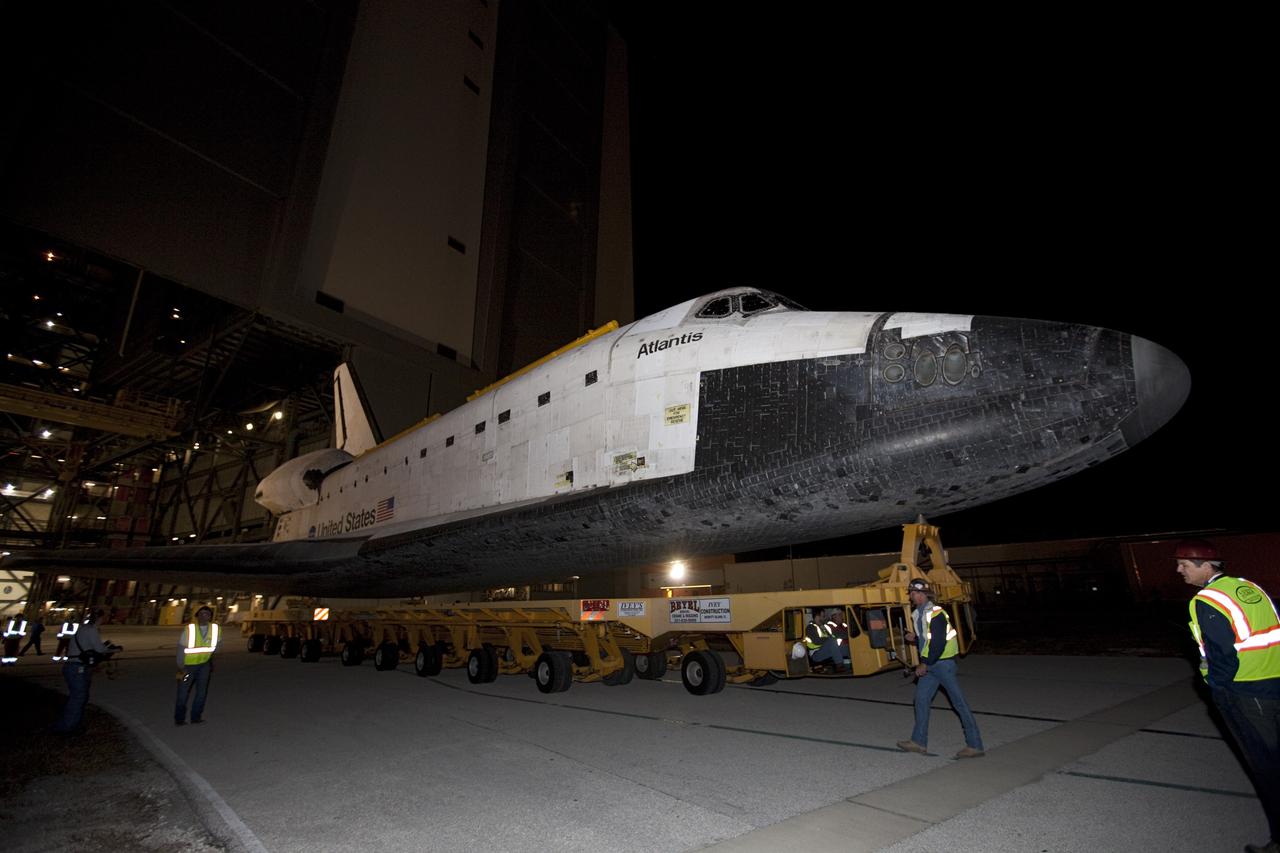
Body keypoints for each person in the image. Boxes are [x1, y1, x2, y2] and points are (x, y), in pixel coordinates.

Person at [1177, 538, 1280, 853]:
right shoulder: (1248, 587)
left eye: (1183, 564)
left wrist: (1216, 688)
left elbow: (1222, 656)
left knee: (1268, 771)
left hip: (1246, 693)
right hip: (1274, 682)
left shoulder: (1206, 599)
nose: (1179, 570)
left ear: (1204, 566)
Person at [897, 578, 984, 758]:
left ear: (922, 594)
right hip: (933, 665)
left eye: (915, 593)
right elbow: (928, 638)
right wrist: (916, 637)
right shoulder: (919, 613)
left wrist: (924, 664)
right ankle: (918, 742)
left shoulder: (935, 613)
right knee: (921, 699)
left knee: (959, 703)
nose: (913, 597)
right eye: (911, 594)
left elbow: (937, 642)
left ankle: (975, 745)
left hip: (942, 664)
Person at [52, 609, 119, 734]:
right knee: (78, 697)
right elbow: (99, 649)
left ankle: (71, 724)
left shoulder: (83, 628)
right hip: (78, 667)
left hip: (72, 666)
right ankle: (67, 727)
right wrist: (112, 650)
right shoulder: (91, 629)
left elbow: (89, 646)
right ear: (100, 618)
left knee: (78, 697)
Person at [175, 604, 220, 725]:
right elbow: (181, 648)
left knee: (201, 693)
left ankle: (195, 717)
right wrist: (180, 667)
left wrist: (212, 662)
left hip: (204, 665)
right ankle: (179, 719)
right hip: (188, 666)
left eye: (208, 614)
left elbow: (215, 648)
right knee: (183, 693)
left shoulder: (215, 629)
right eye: (202, 614)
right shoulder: (190, 629)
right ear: (197, 616)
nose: (205, 616)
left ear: (210, 616)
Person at [803, 608, 849, 673]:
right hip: (816, 654)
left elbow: (833, 636)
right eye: (822, 616)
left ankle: (857, 660)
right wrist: (829, 639)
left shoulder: (823, 627)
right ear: (816, 616)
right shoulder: (810, 628)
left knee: (846, 647)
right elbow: (817, 641)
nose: (823, 619)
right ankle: (839, 665)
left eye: (823, 616)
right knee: (832, 641)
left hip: (825, 651)